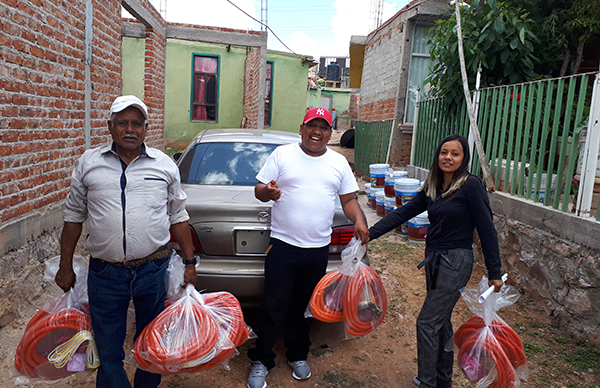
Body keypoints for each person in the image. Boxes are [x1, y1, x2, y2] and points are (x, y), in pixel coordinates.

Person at [55, 95, 197, 388]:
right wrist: (64, 265)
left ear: (146, 128)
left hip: (153, 270)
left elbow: (179, 217)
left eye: (137, 123)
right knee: (108, 351)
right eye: (122, 123)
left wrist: (190, 262)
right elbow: (73, 219)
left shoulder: (164, 165)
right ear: (110, 127)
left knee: (152, 343)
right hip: (105, 274)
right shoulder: (88, 163)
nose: (130, 129)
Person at [366, 134, 504, 388]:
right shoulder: (434, 184)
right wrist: (370, 233)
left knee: (427, 322)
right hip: (434, 259)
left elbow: (487, 230)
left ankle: (428, 382)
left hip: (456, 261)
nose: (448, 157)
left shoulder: (470, 185)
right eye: (444, 152)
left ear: (464, 159)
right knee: (440, 321)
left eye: (455, 153)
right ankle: (442, 381)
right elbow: (406, 212)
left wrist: (495, 271)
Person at [246, 107, 369, 388]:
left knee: (304, 307)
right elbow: (259, 189)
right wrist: (269, 192)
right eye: (312, 125)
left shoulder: (338, 163)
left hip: (317, 250)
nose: (317, 132)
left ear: (330, 133)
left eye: (324, 127)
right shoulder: (283, 154)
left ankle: (298, 354)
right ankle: (261, 360)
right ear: (302, 128)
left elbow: (349, 201)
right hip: (283, 247)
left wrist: (359, 220)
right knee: (273, 305)